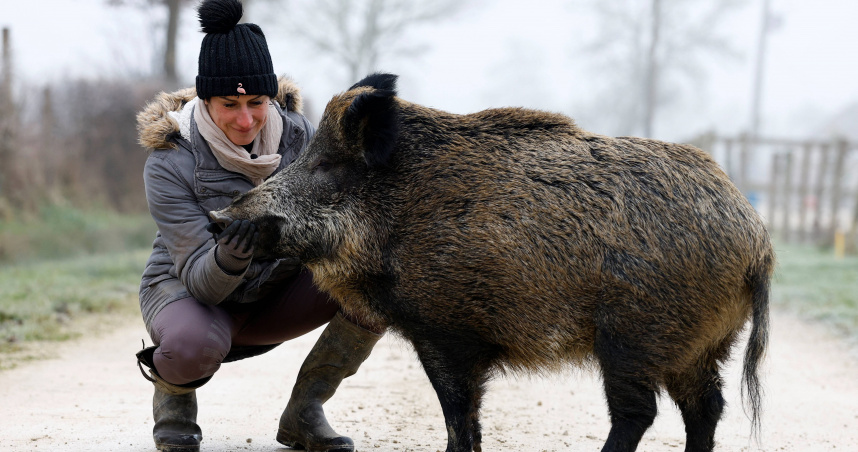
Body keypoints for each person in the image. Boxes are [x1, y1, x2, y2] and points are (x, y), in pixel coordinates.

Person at [134, 1, 383, 451]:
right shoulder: (169, 159)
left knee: (373, 280)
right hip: (192, 295)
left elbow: (337, 228)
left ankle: (305, 413)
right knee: (192, 348)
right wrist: (232, 254)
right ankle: (174, 404)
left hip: (275, 295)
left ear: (270, 98)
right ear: (205, 100)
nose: (245, 120)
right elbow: (201, 282)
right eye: (229, 104)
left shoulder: (301, 137)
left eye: (257, 103)